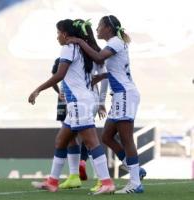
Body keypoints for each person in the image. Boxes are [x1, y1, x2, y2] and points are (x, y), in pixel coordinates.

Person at [28, 19, 115, 195]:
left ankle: (106, 182)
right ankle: (52, 181)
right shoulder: (85, 48)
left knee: (91, 142)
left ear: (66, 34)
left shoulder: (68, 48)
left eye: (58, 32)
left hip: (78, 102)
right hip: (86, 100)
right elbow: (102, 72)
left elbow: (60, 75)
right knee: (61, 140)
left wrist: (38, 89)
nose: (57, 36)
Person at [67, 15, 144, 193]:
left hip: (125, 94)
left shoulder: (116, 42)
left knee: (126, 139)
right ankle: (135, 170)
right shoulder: (115, 43)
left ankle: (135, 182)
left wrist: (79, 40)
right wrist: (100, 77)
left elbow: (99, 58)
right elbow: (115, 69)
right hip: (120, 95)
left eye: (100, 26)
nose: (97, 29)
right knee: (107, 137)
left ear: (108, 28)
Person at [57, 19, 109, 190]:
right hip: (78, 99)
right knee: (70, 138)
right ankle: (73, 175)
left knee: (88, 140)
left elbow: (104, 76)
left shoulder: (88, 51)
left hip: (84, 100)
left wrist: (101, 102)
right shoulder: (82, 50)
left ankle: (103, 180)